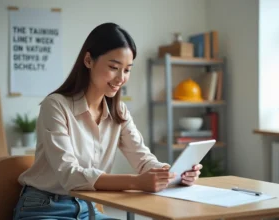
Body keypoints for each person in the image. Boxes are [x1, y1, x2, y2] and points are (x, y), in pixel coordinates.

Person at [13, 22, 203, 220]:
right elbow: (69, 175)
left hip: (88, 208)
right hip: (45, 208)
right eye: (114, 67)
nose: (121, 78)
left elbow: (143, 159)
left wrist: (174, 174)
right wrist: (137, 182)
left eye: (127, 70)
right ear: (88, 60)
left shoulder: (118, 111)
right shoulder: (55, 106)